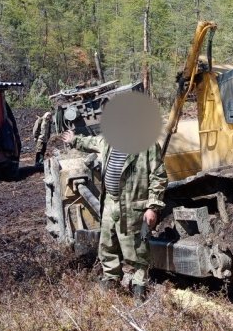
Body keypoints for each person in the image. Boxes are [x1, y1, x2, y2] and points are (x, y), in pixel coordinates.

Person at [61, 128, 166, 304]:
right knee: (107, 245)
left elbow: (159, 177)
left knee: (137, 250)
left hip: (133, 205)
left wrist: (153, 207)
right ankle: (111, 283)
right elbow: (92, 142)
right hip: (110, 202)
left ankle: (140, 290)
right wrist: (74, 140)